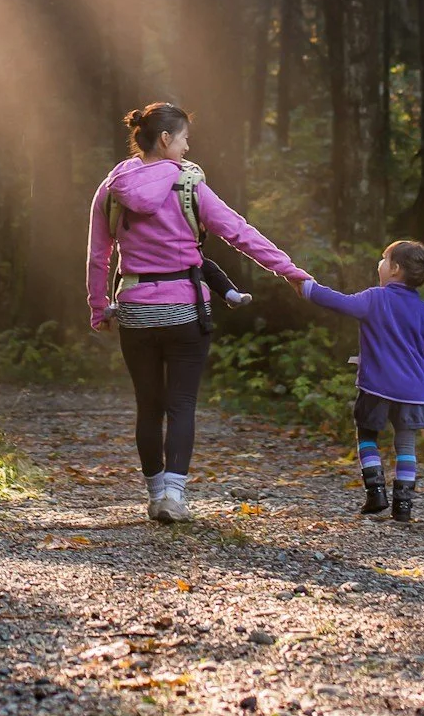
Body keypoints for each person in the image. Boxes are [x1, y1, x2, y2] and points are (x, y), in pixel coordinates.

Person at [87, 100, 313, 522]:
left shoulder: (111, 186)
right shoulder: (188, 185)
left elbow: (98, 255)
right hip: (185, 311)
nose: (188, 148)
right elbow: (239, 233)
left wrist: (100, 307)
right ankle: (174, 496)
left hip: (135, 309)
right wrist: (290, 271)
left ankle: (155, 496)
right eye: (186, 138)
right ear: (167, 138)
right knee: (182, 404)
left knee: (147, 405)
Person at [298, 241, 424, 524]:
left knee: (366, 436)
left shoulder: (374, 299)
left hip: (376, 387)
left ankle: (376, 492)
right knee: (406, 446)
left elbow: (338, 301)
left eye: (383, 259)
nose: (379, 264)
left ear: (395, 269)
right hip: (412, 393)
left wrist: (307, 288)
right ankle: (403, 506)